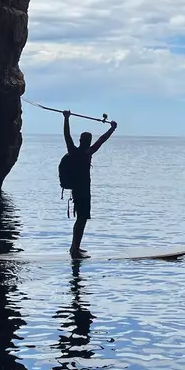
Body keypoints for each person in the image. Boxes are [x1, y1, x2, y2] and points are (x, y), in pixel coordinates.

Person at [63, 110, 117, 259]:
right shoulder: (88, 153)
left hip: (77, 191)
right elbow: (102, 140)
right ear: (87, 142)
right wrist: (112, 128)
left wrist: (66, 119)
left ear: (80, 140)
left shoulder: (74, 151)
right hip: (84, 192)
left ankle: (75, 248)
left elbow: (67, 136)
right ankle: (75, 250)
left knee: (81, 218)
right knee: (81, 219)